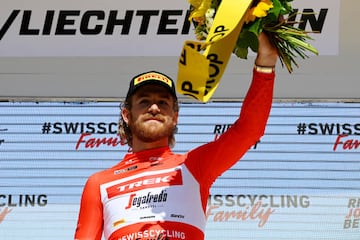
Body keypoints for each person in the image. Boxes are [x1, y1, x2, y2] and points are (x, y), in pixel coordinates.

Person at [74, 32, 278, 240]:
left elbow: (249, 130)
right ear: (127, 115)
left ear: (175, 117)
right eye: (144, 101)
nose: (154, 108)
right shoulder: (99, 183)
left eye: (163, 103)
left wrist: (266, 62)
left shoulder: (194, 165)